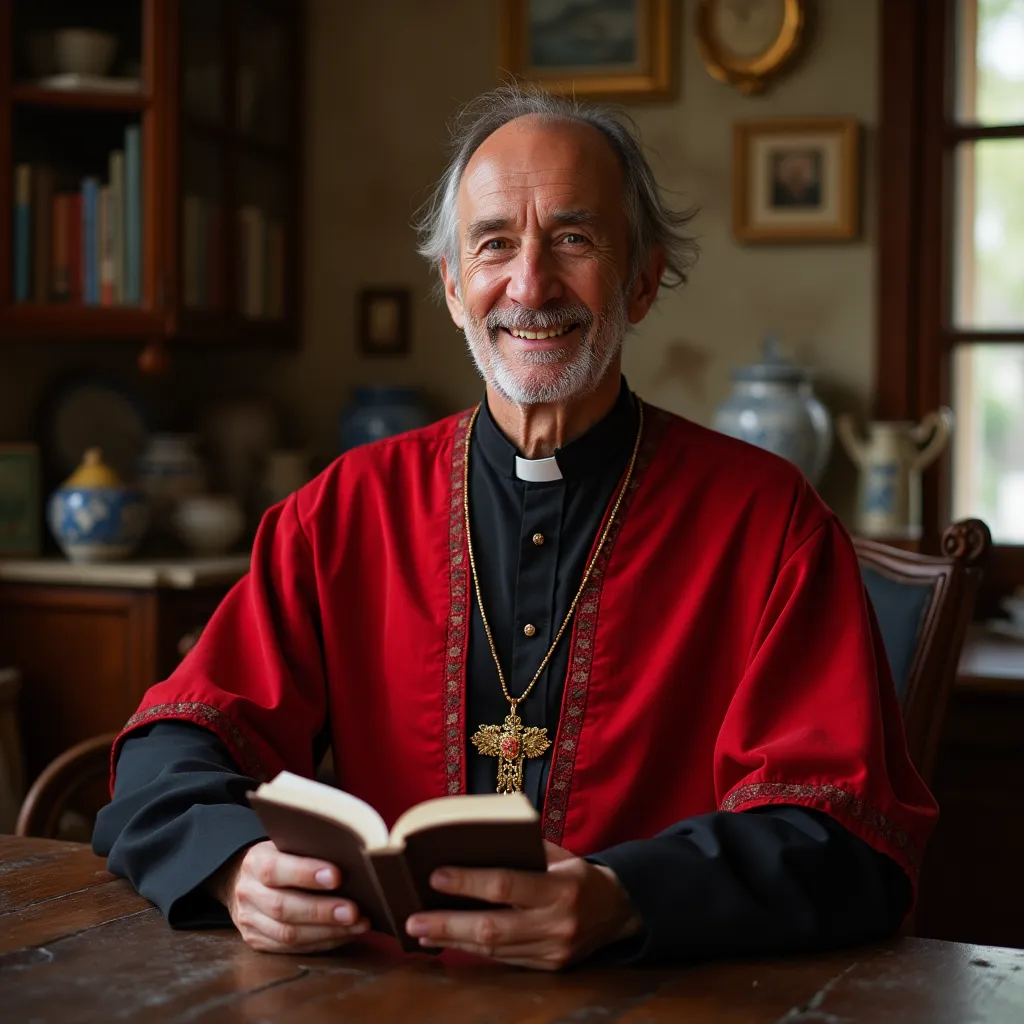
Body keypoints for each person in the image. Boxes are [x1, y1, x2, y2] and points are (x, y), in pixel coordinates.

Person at [93, 85, 936, 971]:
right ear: (455, 288)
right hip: (386, 1000)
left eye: (573, 239)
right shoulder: (344, 511)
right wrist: (237, 867)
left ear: (641, 280)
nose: (529, 285)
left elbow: (846, 833)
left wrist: (627, 900)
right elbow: (175, 744)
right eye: (494, 245)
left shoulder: (770, 523)